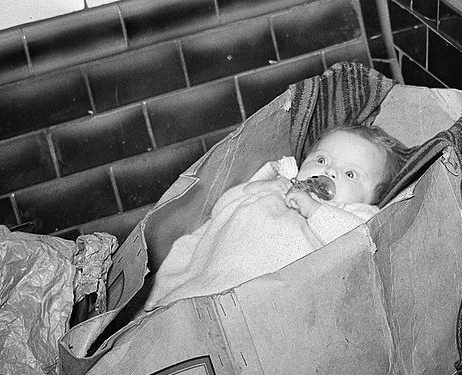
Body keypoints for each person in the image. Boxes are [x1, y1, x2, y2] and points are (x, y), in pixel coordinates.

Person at [145, 125, 405, 309]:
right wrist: (257, 188)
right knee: (186, 301)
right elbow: (220, 212)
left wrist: (315, 211)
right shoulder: (279, 183)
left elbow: (359, 244)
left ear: (372, 198)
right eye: (322, 159)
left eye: (350, 174)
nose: (331, 171)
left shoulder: (356, 213)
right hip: (220, 270)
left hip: (265, 299)